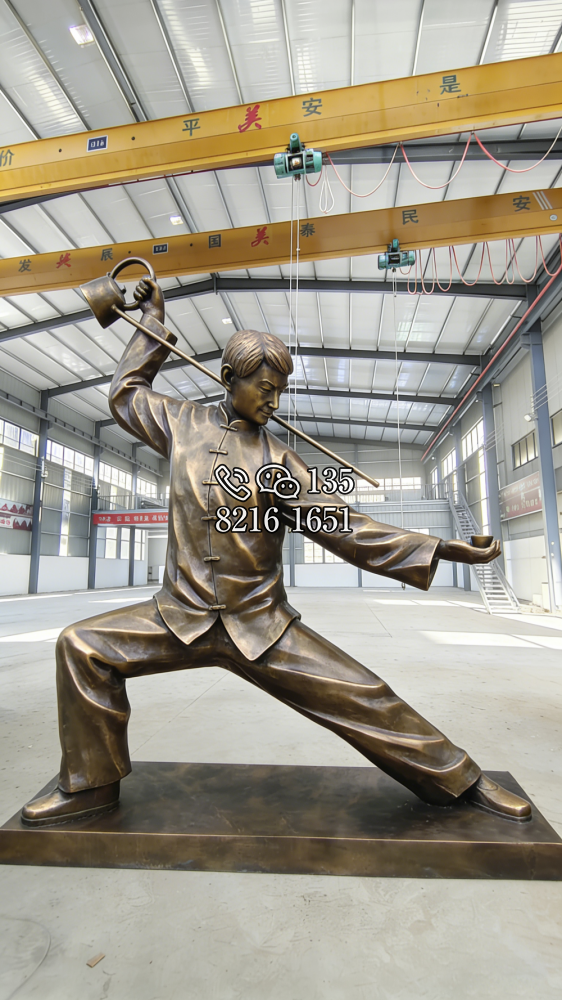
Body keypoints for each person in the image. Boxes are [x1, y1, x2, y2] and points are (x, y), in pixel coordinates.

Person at [22, 278, 531, 826]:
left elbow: (346, 529)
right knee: (82, 646)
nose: (273, 401)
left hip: (259, 625)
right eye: (264, 388)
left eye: (280, 391)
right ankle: (92, 788)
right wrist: (150, 323)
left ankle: (464, 780)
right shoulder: (181, 424)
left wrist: (442, 547)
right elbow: (125, 395)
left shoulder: (281, 462)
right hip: (178, 615)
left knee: (365, 694)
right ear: (228, 379)